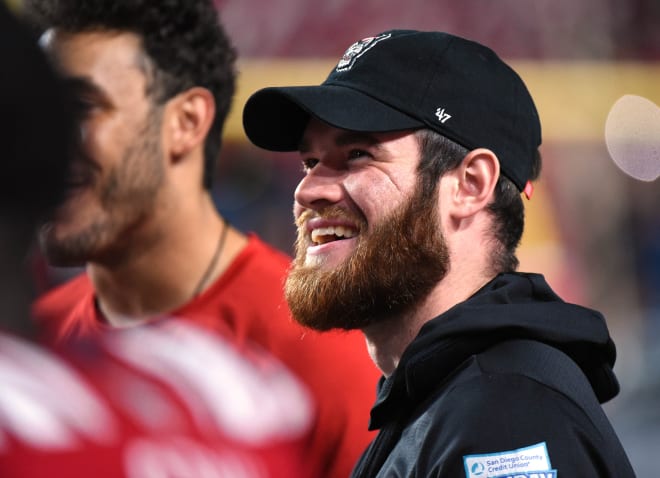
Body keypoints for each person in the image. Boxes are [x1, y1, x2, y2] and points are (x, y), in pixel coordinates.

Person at [242, 29, 637, 477]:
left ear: (470, 185)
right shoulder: (453, 399)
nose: (307, 190)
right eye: (310, 162)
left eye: (357, 154)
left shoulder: (505, 416)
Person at [22, 1, 379, 476]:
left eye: (82, 106)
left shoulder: (325, 354)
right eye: (43, 112)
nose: (45, 139)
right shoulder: (33, 351)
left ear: (187, 121)